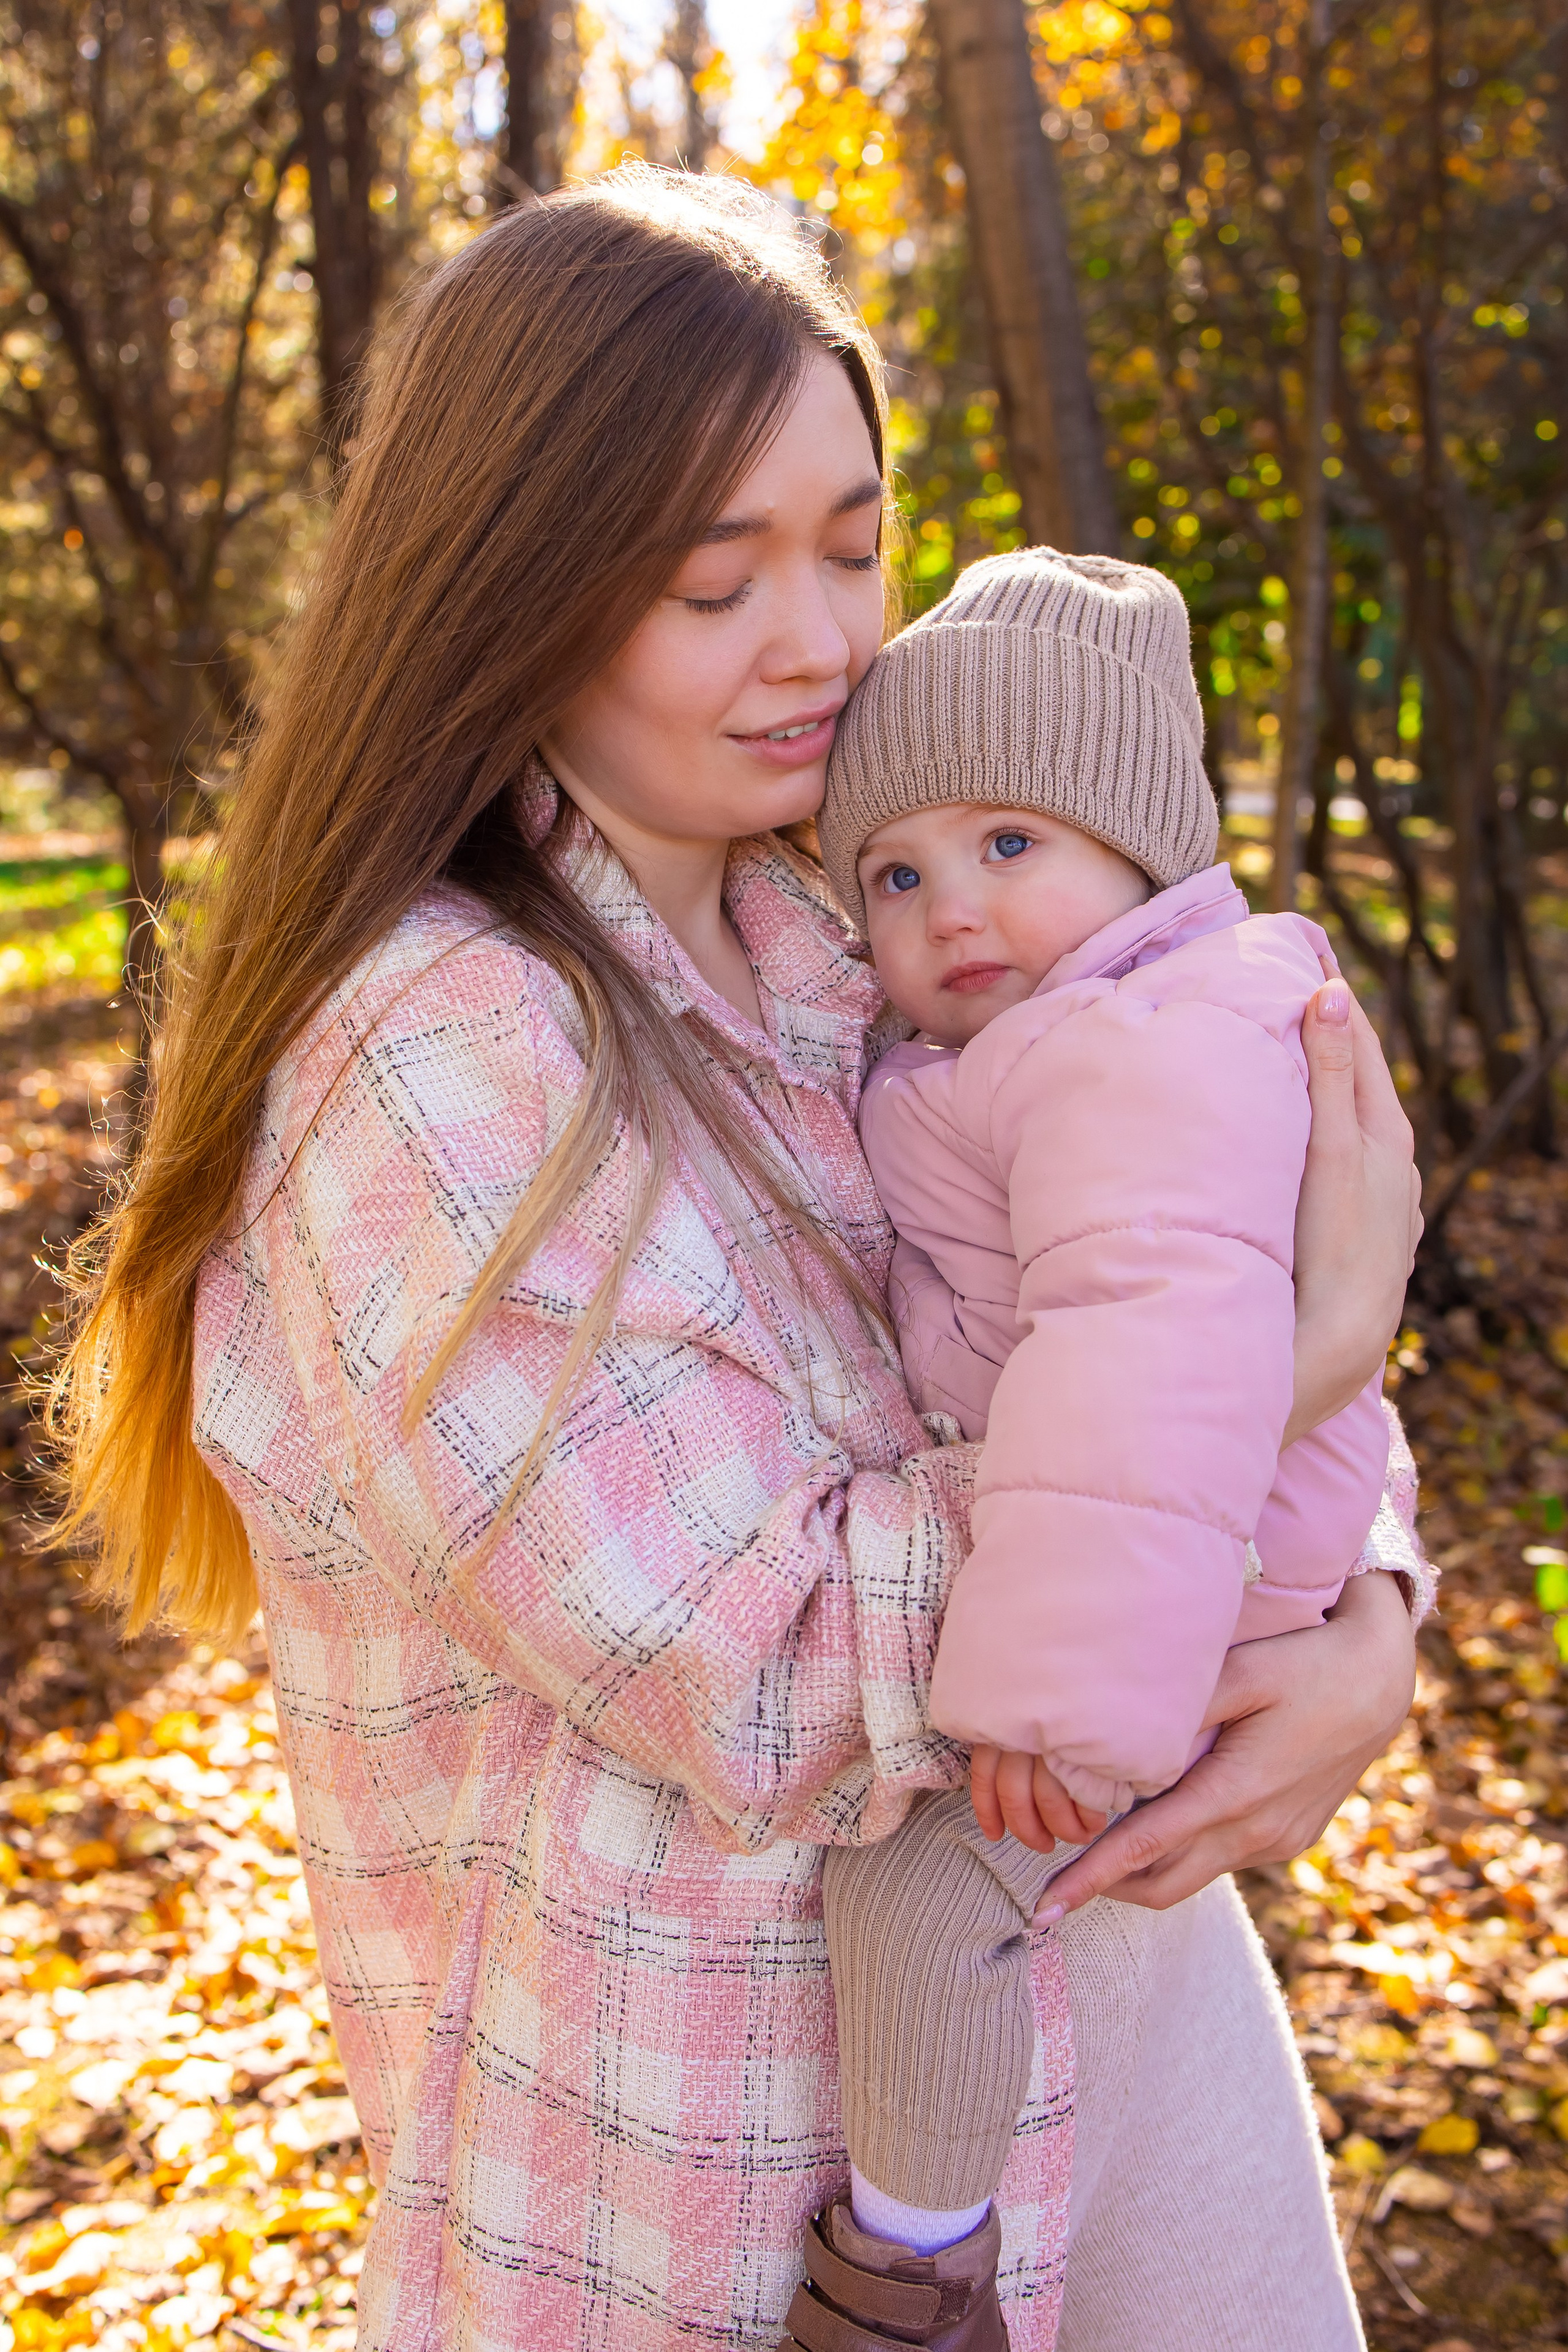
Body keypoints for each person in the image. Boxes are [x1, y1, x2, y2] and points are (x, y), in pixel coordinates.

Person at [51, 168, 1424, 2351]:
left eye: (855, 549)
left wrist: (1371, 1617)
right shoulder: (434, 1057)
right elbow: (764, 1660)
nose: (823, 642)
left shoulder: (885, 918)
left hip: (1130, 2052)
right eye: (717, 580)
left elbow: (1173, 1246)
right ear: (512, 585)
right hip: (723, 2219)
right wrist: (1289, 1377)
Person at [786, 548, 1425, 2350]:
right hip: (1184, 1539)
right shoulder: (1082, 1022)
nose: (950, 911)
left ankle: (911, 2288)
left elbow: (1150, 1342)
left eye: (1011, 843)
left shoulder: (1136, 1042)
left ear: (1143, 848)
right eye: (895, 874)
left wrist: (1057, 1703)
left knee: (926, 1898)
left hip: (1174, 1581)